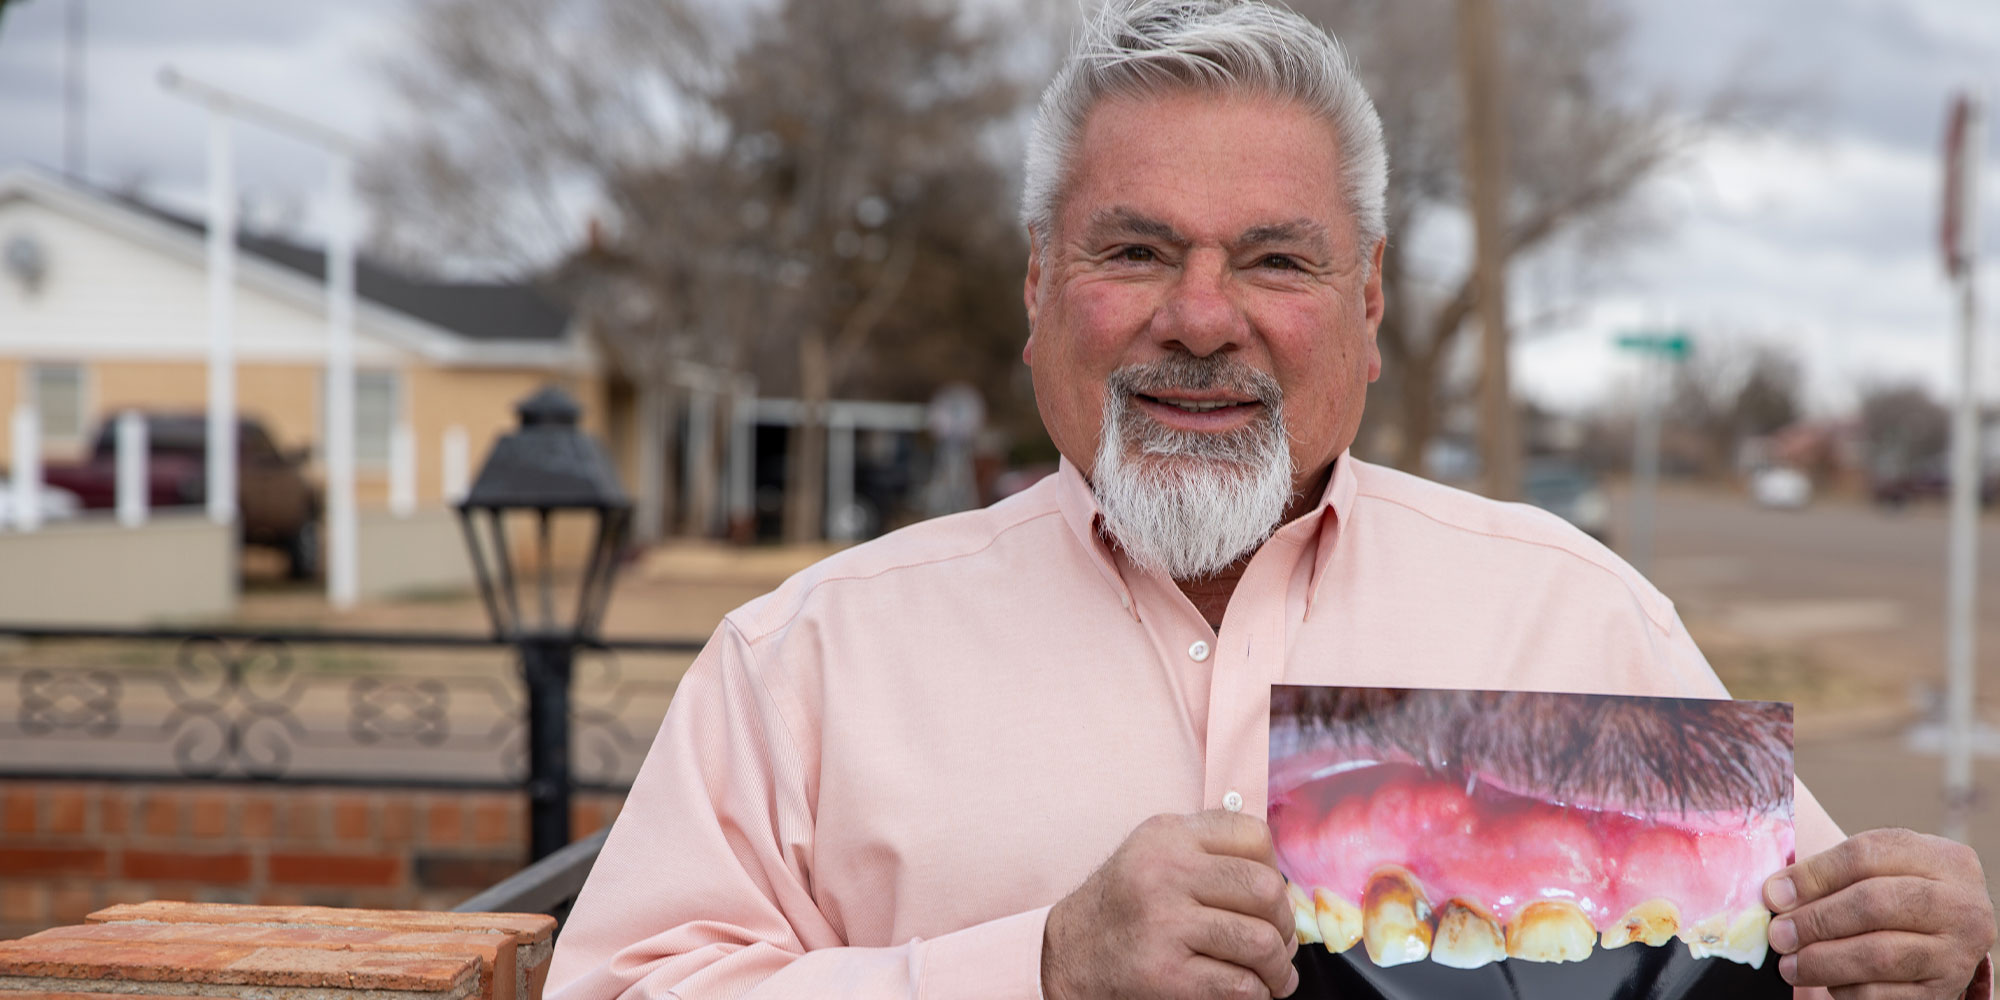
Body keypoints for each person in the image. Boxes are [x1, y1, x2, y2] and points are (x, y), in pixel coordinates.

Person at [548, 2, 1996, 998]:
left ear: (1366, 308)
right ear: (1040, 289)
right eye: (1133, 249)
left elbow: (1808, 953)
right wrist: (1035, 970)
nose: (1198, 316)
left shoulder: (1574, 615)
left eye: (1275, 261)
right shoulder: (806, 659)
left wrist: (1936, 950)